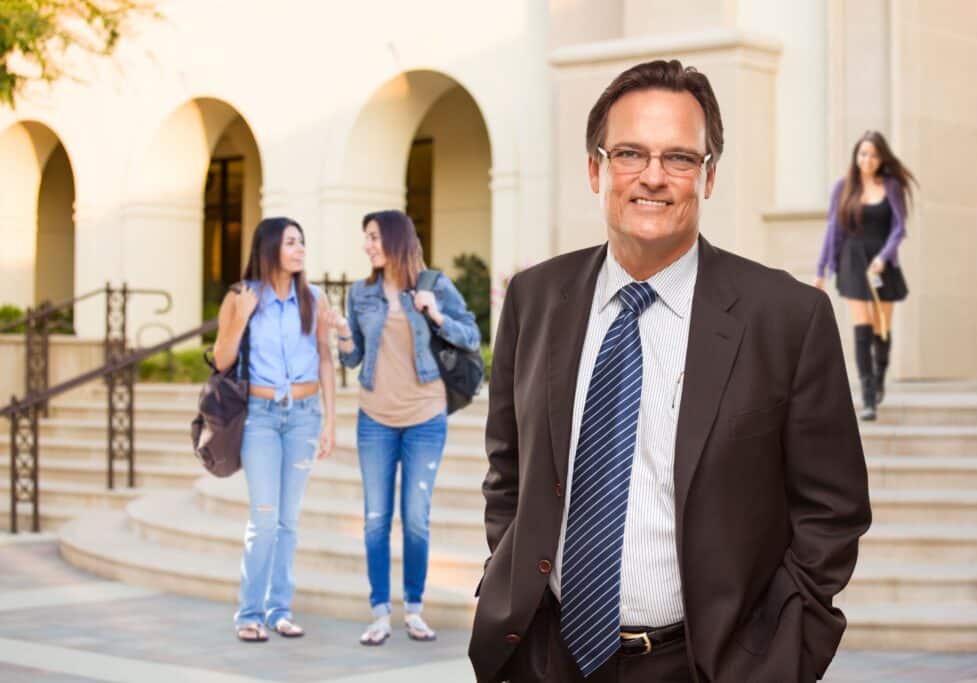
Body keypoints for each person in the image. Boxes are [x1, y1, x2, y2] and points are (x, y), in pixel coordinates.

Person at [470, 60, 871, 682]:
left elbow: (833, 509)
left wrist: (777, 656)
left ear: (707, 177)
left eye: (680, 158)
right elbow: (509, 469)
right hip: (545, 657)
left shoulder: (788, 319)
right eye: (630, 152)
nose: (652, 177)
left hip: (704, 665)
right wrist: (512, 576)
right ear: (595, 168)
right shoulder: (535, 299)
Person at [325, 210, 481, 646]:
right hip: (374, 418)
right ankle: (380, 612)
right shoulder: (361, 293)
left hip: (425, 418)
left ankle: (413, 609)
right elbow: (353, 360)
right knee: (376, 520)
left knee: (415, 519)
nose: (367, 245)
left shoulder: (434, 285)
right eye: (366, 238)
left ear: (394, 240)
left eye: (373, 237)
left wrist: (435, 316)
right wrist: (342, 335)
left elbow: (470, 335)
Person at [212, 217, 336, 642]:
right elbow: (222, 360)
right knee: (264, 518)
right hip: (261, 418)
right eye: (291, 242)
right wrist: (240, 318)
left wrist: (331, 421)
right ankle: (249, 611)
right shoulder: (241, 297)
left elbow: (324, 359)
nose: (300, 249)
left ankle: (279, 609)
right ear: (269, 249)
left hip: (303, 416)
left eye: (303, 241)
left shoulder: (314, 298)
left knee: (288, 521)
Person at [815, 131, 916, 421]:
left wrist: (884, 258)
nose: (866, 159)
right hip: (853, 260)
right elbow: (833, 231)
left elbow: (899, 228)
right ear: (855, 156)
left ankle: (880, 375)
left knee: (881, 328)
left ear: (881, 157)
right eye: (862, 153)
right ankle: (868, 396)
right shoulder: (844, 188)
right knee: (862, 329)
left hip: (883, 264)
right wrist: (822, 270)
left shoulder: (892, 186)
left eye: (872, 154)